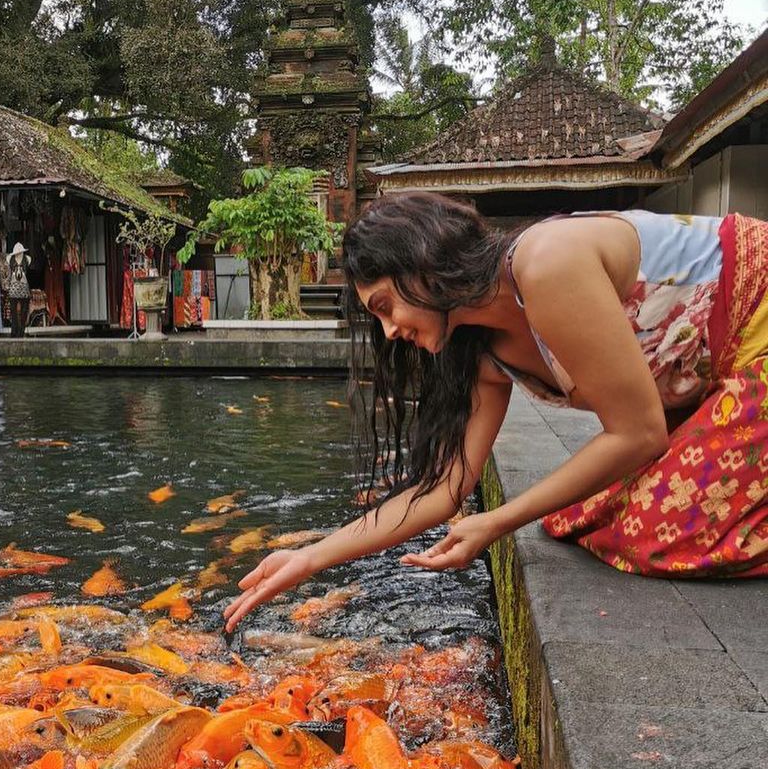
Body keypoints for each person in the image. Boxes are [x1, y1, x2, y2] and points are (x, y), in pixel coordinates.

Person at [224, 194, 768, 632]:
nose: (389, 332)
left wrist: (498, 521)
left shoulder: (545, 264)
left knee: (655, 530)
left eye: (386, 306)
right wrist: (311, 558)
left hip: (758, 327)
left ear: (423, 263)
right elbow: (443, 490)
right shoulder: (484, 355)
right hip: (715, 376)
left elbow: (639, 434)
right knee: (581, 519)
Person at [6, 242, 32, 337]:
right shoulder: (10, 259)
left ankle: (21, 331)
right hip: (13, 288)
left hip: (24, 288)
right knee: (13, 312)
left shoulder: (27, 259)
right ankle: (14, 331)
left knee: (24, 311)